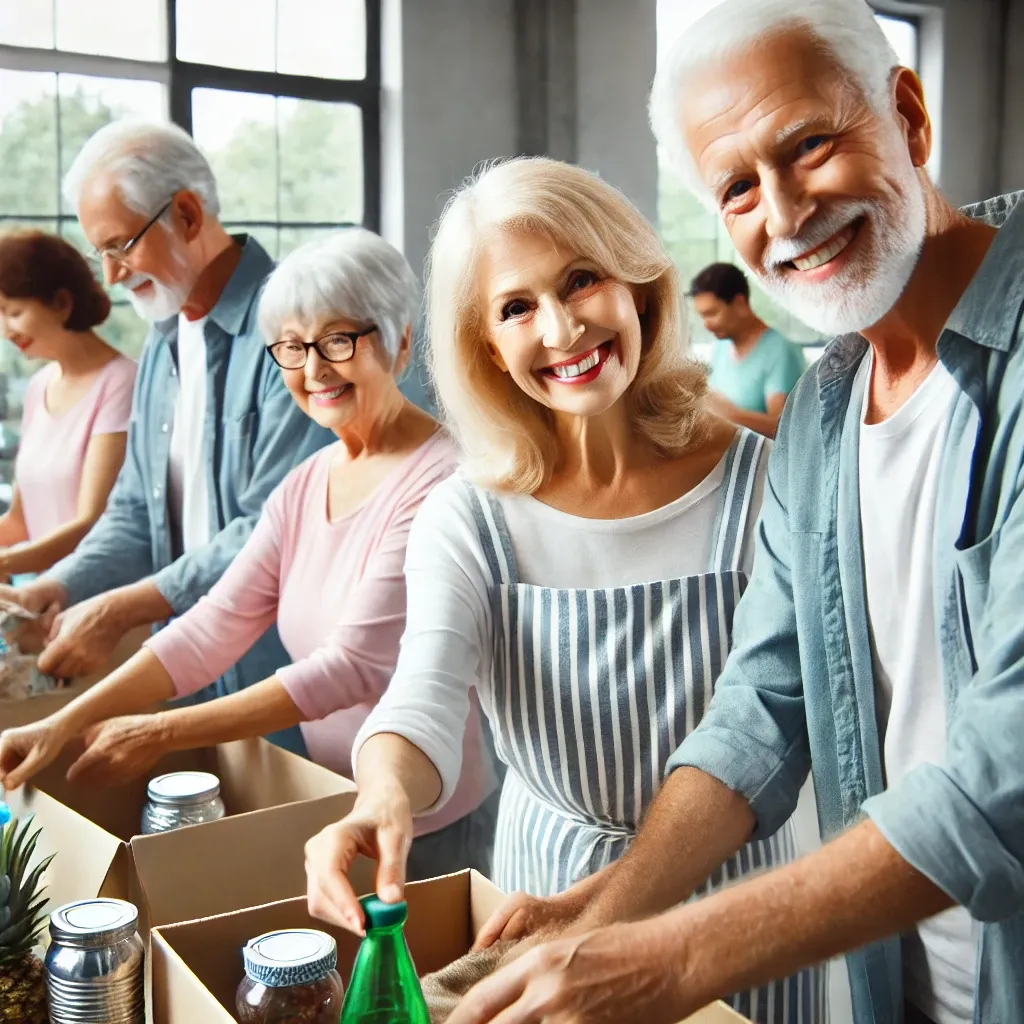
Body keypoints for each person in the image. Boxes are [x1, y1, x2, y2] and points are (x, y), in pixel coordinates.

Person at [441, 1, 1024, 1023]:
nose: (784, 212)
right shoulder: (825, 408)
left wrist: (666, 959)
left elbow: (1004, 774)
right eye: (737, 188)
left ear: (908, 114)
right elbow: (763, 702)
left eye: (807, 145)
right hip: (910, 983)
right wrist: (608, 911)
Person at [301, 157, 825, 1021]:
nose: (560, 329)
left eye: (581, 281)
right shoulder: (467, 516)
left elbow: (778, 727)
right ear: (488, 349)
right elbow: (423, 693)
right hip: (547, 894)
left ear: (640, 289)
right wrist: (383, 792)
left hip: (741, 900)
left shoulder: (766, 482)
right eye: (516, 307)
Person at [0, 229, 500, 877]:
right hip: (331, 807)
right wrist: (62, 724)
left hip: (433, 825)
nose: (313, 370)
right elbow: (215, 624)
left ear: (402, 341)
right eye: (292, 347)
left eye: (340, 340)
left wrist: (155, 731)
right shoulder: (305, 482)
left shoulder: (443, 482)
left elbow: (346, 667)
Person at [5, 121, 332, 752]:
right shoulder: (162, 340)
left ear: (185, 213)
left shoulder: (295, 327)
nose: (109, 273)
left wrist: (124, 607)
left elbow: (272, 526)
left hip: (290, 677)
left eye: (119, 245)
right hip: (192, 670)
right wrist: (63, 583)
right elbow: (134, 511)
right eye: (98, 251)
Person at [0, 230, 135, 580]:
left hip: (95, 601)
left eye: (13, 311)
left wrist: (5, 563)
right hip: (36, 606)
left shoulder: (122, 383)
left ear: (62, 302)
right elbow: (20, 521)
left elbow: (90, 524)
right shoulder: (39, 386)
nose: (6, 330)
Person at [690, 262, 806, 437]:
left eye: (712, 314)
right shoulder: (721, 346)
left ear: (739, 303)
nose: (707, 325)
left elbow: (783, 430)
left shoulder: (781, 351)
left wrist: (731, 415)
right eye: (702, 317)